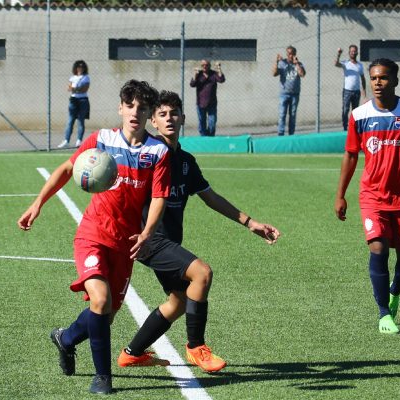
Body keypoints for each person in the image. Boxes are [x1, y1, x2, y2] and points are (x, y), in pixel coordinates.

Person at [18, 80, 171, 394]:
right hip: (93, 235)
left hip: (126, 244)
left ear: (148, 114)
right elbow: (65, 168)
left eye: (142, 108)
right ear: (120, 107)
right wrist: (37, 204)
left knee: (106, 315)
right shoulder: (101, 140)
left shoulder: (157, 151)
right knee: (100, 301)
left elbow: (159, 197)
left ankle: (66, 338)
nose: (135, 112)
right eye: (130, 105)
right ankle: (103, 377)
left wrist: (147, 231)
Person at [116, 90, 281, 373]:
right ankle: (196, 348)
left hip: (167, 241)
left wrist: (250, 222)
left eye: (174, 113)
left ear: (183, 118)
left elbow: (210, 197)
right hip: (149, 239)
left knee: (179, 302)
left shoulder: (185, 161)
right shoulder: (147, 155)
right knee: (202, 273)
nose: (169, 119)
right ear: (153, 121)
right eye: (162, 114)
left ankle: (132, 353)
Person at [334, 58, 400, 334]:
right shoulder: (359, 115)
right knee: (378, 248)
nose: (378, 83)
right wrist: (340, 195)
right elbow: (351, 155)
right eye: (374, 78)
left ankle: (394, 291)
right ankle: (384, 314)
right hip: (372, 196)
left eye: (384, 78)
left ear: (395, 81)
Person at [272, 46, 305, 136]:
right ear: (287, 54)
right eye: (289, 53)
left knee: (293, 115)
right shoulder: (282, 63)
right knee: (282, 114)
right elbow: (274, 73)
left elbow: (302, 74)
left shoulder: (299, 64)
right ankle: (281, 134)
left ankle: (291, 134)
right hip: (284, 93)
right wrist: (276, 61)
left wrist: (297, 63)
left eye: (292, 53)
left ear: (295, 54)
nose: (290, 55)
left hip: (295, 94)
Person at [58, 60, 91, 148]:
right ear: (75, 68)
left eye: (82, 67)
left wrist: (75, 88)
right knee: (70, 121)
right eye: (78, 67)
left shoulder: (86, 77)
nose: (80, 69)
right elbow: (69, 88)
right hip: (73, 100)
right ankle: (66, 140)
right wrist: (76, 89)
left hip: (83, 100)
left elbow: (84, 89)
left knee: (81, 121)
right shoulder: (72, 77)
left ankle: (79, 141)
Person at [189, 59, 225, 136]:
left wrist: (219, 68)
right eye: (203, 65)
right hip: (200, 103)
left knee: (212, 122)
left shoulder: (214, 74)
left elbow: (221, 80)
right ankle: (203, 138)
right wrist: (195, 75)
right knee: (202, 122)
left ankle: (211, 137)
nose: (205, 66)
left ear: (209, 66)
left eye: (206, 65)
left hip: (212, 103)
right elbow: (192, 84)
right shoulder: (199, 74)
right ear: (201, 66)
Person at [335, 45, 366, 131]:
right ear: (349, 53)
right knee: (345, 110)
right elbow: (336, 64)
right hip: (347, 92)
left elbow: (363, 79)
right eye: (351, 51)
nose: (353, 52)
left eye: (354, 51)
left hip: (356, 92)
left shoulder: (360, 65)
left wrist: (364, 93)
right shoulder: (345, 63)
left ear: (357, 53)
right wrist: (338, 54)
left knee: (355, 111)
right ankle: (345, 128)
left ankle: (354, 128)